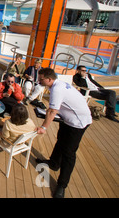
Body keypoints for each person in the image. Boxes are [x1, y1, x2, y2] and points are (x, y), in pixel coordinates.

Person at [36, 68, 92, 198]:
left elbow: (51, 111)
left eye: (41, 79)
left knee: (69, 153)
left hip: (78, 123)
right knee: (60, 140)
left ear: (49, 79)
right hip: (67, 119)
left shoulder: (57, 89)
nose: (39, 81)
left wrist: (44, 127)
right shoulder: (56, 85)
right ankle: (54, 163)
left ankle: (62, 185)